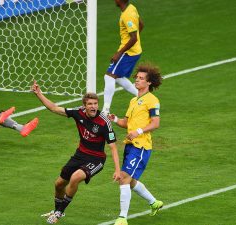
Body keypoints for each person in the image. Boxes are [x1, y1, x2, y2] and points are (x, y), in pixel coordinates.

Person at [32, 80, 122, 224]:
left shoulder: (104, 122)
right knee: (59, 184)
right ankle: (56, 210)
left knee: (75, 178)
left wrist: (118, 170)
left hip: (96, 159)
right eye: (90, 104)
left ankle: (59, 213)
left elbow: (113, 147)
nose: (93, 107)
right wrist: (39, 94)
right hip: (80, 155)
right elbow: (54, 108)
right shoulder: (78, 113)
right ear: (85, 106)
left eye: (95, 104)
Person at [108, 63, 163, 225]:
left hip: (141, 146)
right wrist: (115, 119)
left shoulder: (152, 100)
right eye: (137, 78)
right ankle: (154, 203)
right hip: (130, 145)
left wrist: (138, 131)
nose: (137, 81)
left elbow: (156, 123)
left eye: (141, 78)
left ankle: (122, 218)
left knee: (124, 178)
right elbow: (127, 123)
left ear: (149, 82)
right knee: (130, 180)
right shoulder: (134, 100)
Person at [102, 0, 144, 115]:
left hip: (128, 52)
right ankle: (141, 96)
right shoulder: (131, 8)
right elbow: (141, 24)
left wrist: (119, 53)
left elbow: (134, 37)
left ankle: (105, 111)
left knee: (109, 76)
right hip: (134, 50)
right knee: (118, 77)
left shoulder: (127, 15)